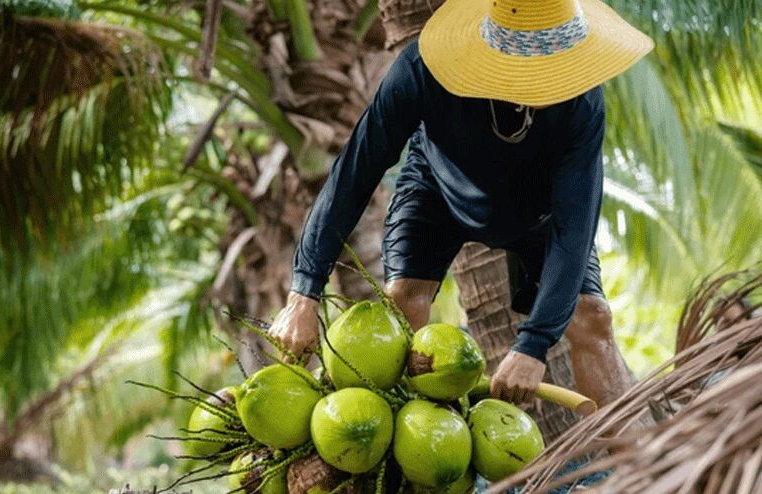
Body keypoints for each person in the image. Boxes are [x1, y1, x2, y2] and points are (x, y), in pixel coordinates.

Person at [269, 0, 654, 408]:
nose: (556, 80)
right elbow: (353, 175)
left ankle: (630, 449)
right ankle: (414, 438)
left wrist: (534, 345)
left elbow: (574, 226)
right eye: (543, 69)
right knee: (403, 300)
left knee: (592, 316)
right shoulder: (422, 69)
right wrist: (304, 292)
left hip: (540, 211)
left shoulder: (582, 101)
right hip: (437, 189)